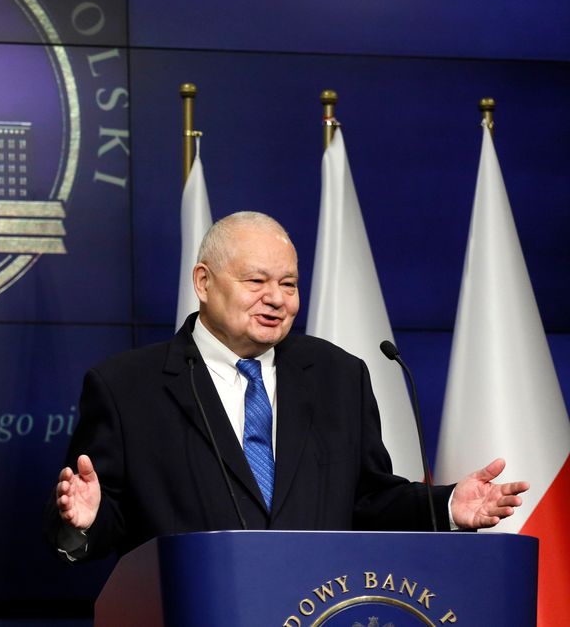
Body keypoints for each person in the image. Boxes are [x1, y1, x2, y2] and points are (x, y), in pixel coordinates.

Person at [47, 211, 528, 562]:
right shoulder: (127, 388)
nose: (276, 299)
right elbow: (107, 518)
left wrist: (447, 505)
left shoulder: (339, 376)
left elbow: (369, 502)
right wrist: (86, 521)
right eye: (256, 281)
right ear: (204, 282)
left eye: (289, 284)